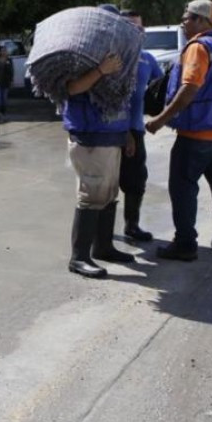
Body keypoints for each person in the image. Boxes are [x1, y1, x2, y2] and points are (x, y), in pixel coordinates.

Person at [145, 0, 212, 261]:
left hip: (197, 135)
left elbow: (189, 88)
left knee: (182, 188)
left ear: (203, 21)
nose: (183, 21)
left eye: (188, 17)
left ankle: (185, 244)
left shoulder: (199, 47)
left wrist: (159, 119)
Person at [61, 36, 138, 279]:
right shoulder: (79, 59)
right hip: (89, 138)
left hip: (111, 137)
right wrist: (100, 70)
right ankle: (79, 258)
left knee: (108, 193)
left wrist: (125, 133)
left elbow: (119, 100)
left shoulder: (116, 61)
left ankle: (104, 247)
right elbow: (72, 88)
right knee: (91, 194)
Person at [119, 9, 164, 241]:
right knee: (103, 185)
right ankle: (99, 232)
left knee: (136, 182)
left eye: (140, 28)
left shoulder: (148, 59)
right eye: (131, 27)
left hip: (136, 130)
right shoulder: (111, 59)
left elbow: (159, 86)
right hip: (110, 131)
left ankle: (131, 225)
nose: (137, 32)